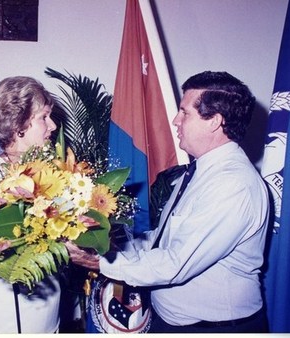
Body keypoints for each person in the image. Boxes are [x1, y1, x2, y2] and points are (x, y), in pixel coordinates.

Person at [66, 71, 270, 333]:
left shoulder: (233, 184)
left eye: (185, 113)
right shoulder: (201, 172)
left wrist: (100, 263)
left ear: (214, 122)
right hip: (177, 323)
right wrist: (106, 243)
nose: (176, 121)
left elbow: (175, 262)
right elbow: (162, 240)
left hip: (214, 328)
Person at [0, 76, 61, 333]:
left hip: (48, 321)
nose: (52, 125)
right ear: (19, 124)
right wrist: (48, 248)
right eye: (44, 117)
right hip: (6, 324)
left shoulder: (48, 172)